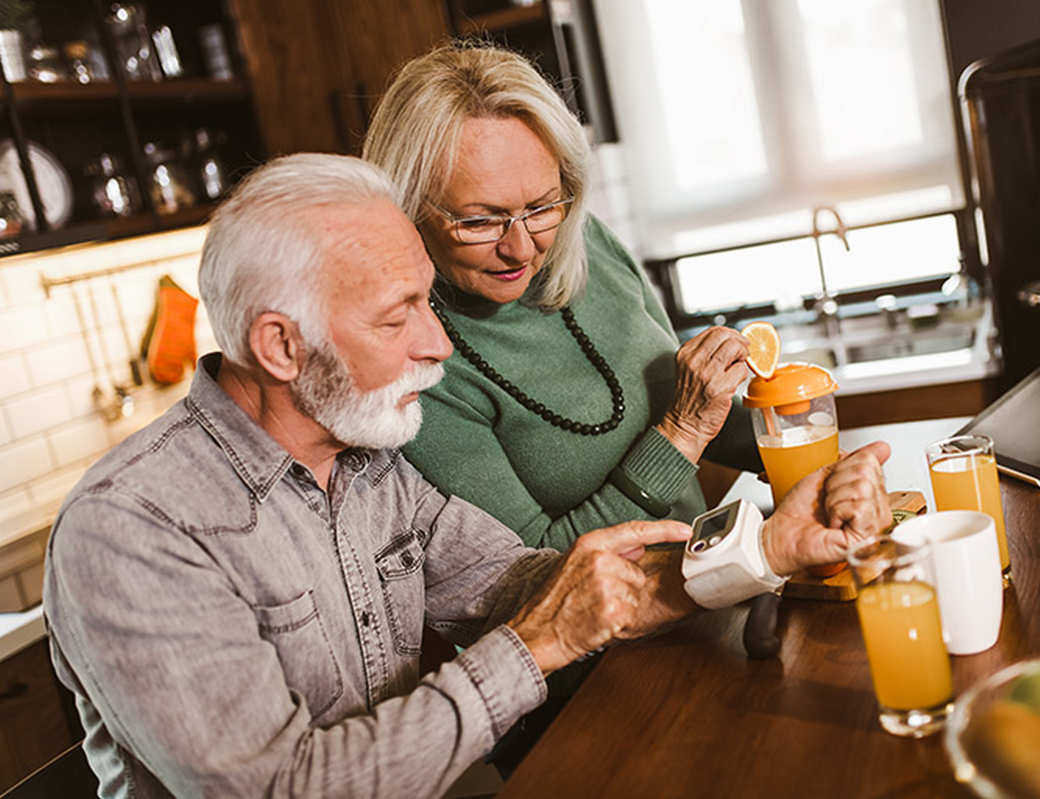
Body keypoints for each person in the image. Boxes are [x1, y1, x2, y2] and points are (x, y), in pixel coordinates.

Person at [42, 153, 893, 798]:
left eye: (428, 302)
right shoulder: (132, 529)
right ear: (279, 345)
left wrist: (773, 544)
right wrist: (539, 644)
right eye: (397, 315)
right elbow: (281, 788)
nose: (439, 345)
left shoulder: (370, 468)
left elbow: (537, 582)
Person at [362, 43, 764, 552]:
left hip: (709, 582)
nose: (521, 248)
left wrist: (809, 447)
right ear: (407, 206)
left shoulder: (587, 240)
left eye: (541, 207)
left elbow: (702, 413)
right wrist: (681, 432)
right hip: (607, 629)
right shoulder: (416, 366)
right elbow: (534, 563)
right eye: (480, 220)